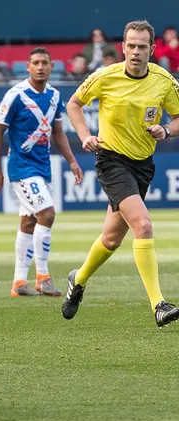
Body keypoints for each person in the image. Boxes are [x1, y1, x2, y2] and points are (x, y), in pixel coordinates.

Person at [63, 20, 179, 327]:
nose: (137, 52)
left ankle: (78, 280)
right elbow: (74, 104)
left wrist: (166, 129)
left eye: (143, 46)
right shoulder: (105, 76)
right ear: (123, 47)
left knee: (112, 239)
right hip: (111, 159)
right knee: (143, 224)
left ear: (152, 50)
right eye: (132, 45)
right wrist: (85, 134)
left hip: (143, 164)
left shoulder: (164, 81)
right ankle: (159, 304)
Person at [0, 48, 83, 297]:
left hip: (42, 167)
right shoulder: (16, 95)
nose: (40, 67)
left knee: (29, 221)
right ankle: (43, 276)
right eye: (35, 63)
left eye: (45, 63)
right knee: (47, 213)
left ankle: (19, 282)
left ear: (52, 66)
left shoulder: (54, 96)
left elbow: (58, 132)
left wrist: (72, 161)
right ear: (27, 67)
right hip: (21, 167)